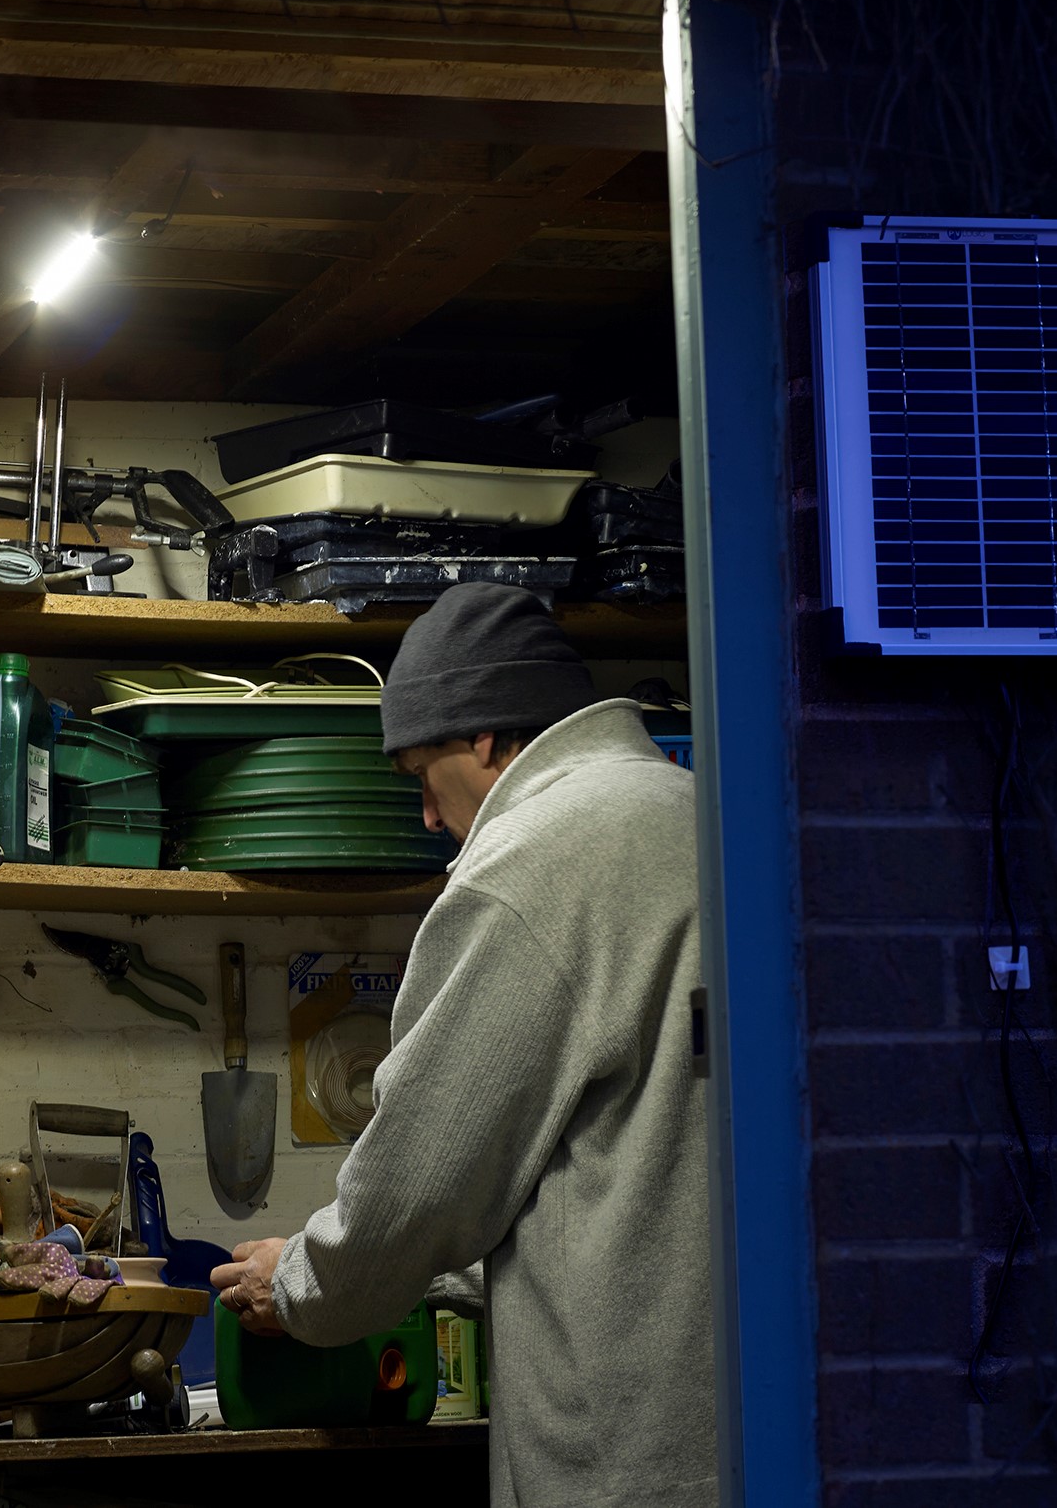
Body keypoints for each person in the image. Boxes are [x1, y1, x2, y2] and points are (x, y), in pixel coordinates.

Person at [210, 583, 717, 1507]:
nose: (428, 817)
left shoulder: (529, 860)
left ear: (484, 737)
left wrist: (301, 1283)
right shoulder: (705, 815)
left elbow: (419, 1187)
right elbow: (619, 1179)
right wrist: (420, 1276)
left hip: (619, 1452)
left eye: (420, 775)